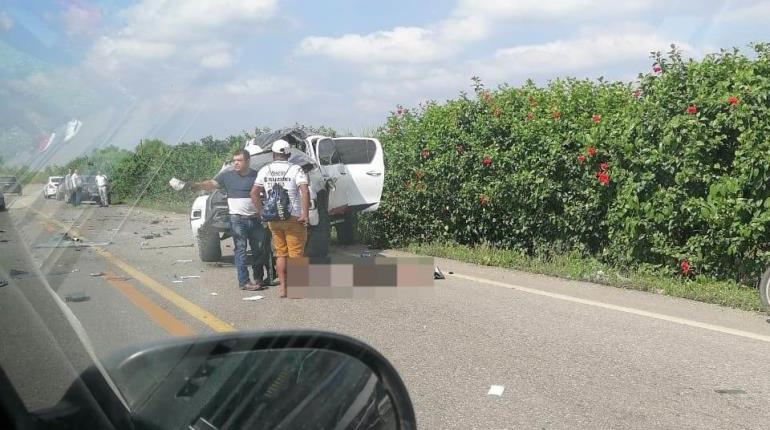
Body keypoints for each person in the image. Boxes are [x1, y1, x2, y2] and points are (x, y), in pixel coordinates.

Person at [176, 150, 268, 291]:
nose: (235, 163)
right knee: (241, 251)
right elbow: (211, 184)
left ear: (248, 161)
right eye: (234, 160)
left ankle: (259, 278)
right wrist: (197, 185)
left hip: (255, 219)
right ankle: (244, 282)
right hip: (237, 220)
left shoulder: (257, 176)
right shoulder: (227, 176)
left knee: (259, 250)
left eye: (239, 160)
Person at [251, 140, 310, 298]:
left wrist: (262, 212)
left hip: (273, 219)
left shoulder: (265, 170)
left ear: (273, 155)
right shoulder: (295, 169)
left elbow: (254, 193)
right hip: (293, 217)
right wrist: (305, 213)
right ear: (288, 155)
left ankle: (283, 289)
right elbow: (304, 191)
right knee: (296, 253)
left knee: (280, 254)